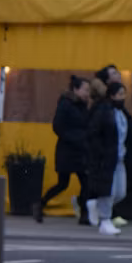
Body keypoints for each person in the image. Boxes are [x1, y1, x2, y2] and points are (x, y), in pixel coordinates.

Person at [33, 75, 91, 225]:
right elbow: (57, 127)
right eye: (85, 90)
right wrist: (74, 138)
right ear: (76, 89)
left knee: (86, 182)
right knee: (62, 184)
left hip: (81, 150)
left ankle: (84, 213)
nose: (87, 93)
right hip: (67, 150)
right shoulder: (65, 104)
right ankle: (41, 203)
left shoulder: (83, 106)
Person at [86, 81, 129, 236]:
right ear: (111, 95)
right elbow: (94, 133)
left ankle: (95, 204)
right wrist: (101, 152)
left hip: (119, 157)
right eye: (119, 94)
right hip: (106, 157)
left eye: (124, 94)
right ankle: (105, 220)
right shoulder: (104, 111)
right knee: (108, 191)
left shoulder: (121, 113)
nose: (122, 98)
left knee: (120, 192)